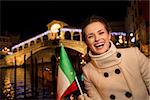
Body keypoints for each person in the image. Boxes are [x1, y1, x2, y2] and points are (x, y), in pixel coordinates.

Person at [78, 15, 150, 100]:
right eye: (90, 36)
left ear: (109, 35)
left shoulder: (134, 54)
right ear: (86, 42)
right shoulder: (87, 71)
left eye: (101, 33)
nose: (97, 39)